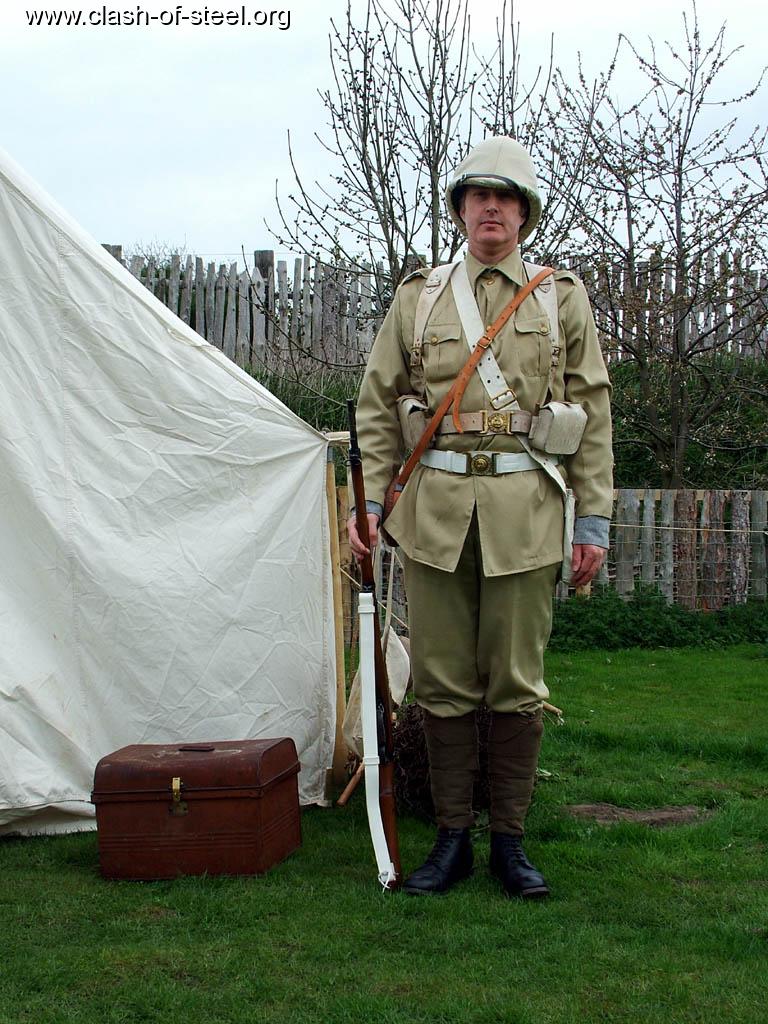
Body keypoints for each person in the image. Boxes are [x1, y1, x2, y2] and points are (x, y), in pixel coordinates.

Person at [348, 137, 613, 898]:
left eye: (505, 197)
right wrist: (369, 503)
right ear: (461, 208)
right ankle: (453, 838)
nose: (490, 208)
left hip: (525, 513)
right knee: (441, 684)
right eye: (477, 196)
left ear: (524, 213)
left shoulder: (560, 297)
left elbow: (592, 412)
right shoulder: (419, 296)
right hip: (434, 515)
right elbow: (376, 405)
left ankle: (511, 843)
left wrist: (591, 522)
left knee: (517, 685)